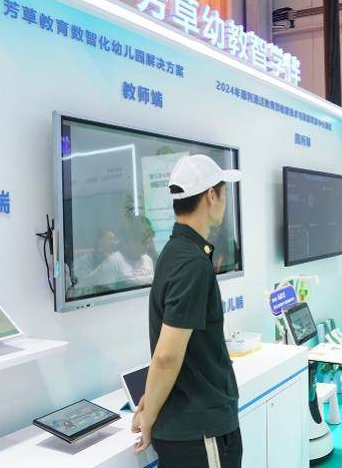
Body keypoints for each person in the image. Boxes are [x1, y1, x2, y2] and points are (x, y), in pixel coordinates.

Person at [132, 154, 243, 468]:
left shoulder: (174, 252)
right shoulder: (192, 263)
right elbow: (167, 355)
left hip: (191, 425)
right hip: (200, 432)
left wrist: (151, 398)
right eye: (223, 192)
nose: (225, 201)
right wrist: (149, 417)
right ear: (210, 196)